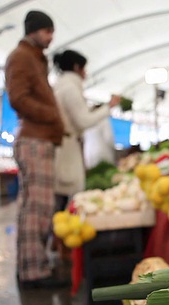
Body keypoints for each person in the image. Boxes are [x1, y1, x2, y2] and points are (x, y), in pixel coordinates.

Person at [5, 10, 67, 289]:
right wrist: (52, 116)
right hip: (35, 140)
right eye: (46, 30)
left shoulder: (34, 59)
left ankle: (32, 265)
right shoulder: (21, 57)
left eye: (52, 30)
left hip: (40, 139)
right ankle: (33, 272)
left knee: (36, 207)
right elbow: (18, 98)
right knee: (37, 209)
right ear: (32, 31)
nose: (50, 36)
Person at [52, 49, 121, 210]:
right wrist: (108, 107)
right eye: (84, 68)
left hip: (66, 146)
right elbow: (84, 120)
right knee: (64, 194)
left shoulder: (62, 85)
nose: (86, 72)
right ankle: (59, 232)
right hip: (67, 148)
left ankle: (58, 229)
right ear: (77, 67)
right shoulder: (70, 88)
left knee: (61, 194)